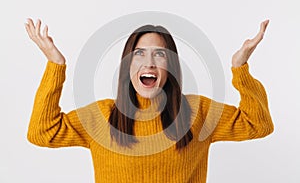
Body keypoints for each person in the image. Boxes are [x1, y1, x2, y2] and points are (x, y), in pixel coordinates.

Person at [25, 18, 274, 183]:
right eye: (139, 54)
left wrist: (240, 67)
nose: (149, 63)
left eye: (160, 55)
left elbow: (258, 124)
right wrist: (55, 66)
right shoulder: (101, 116)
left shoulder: (197, 112)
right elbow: (42, 132)